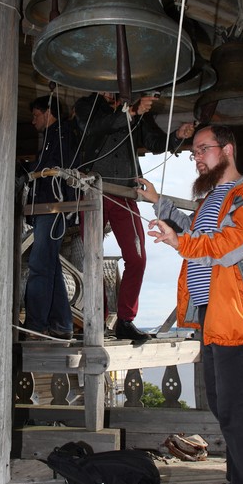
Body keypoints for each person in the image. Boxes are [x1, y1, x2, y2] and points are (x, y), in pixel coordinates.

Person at [141, 124, 243, 484]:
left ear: (228, 149)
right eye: (194, 153)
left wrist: (178, 243)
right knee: (227, 408)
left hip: (240, 316)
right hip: (213, 314)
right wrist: (158, 202)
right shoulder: (212, 200)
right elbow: (196, 233)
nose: (198, 157)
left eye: (204, 149)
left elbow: (230, 245)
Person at [74, 91, 194, 342]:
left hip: (125, 192)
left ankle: (125, 320)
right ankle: (97, 318)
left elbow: (152, 141)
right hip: (93, 191)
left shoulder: (133, 107)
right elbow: (92, 127)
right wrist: (130, 113)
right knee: (91, 258)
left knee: (137, 258)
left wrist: (177, 137)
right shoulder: (87, 105)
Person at [22, 95, 74, 340]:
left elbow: (59, 167)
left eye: (35, 115)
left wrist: (33, 174)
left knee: (40, 265)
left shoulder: (63, 135)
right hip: (49, 205)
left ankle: (34, 324)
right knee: (49, 266)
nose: (33, 121)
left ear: (48, 112)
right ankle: (62, 323)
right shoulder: (54, 136)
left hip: (52, 205)